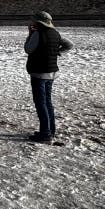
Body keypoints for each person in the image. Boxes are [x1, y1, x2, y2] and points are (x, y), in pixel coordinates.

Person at [24, 11, 72, 142]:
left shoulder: (38, 33)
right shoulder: (55, 33)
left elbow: (28, 49)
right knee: (48, 102)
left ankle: (45, 133)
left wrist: (30, 35)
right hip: (51, 72)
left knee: (41, 103)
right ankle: (51, 130)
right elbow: (69, 45)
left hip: (39, 72)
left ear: (38, 22)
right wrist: (57, 52)